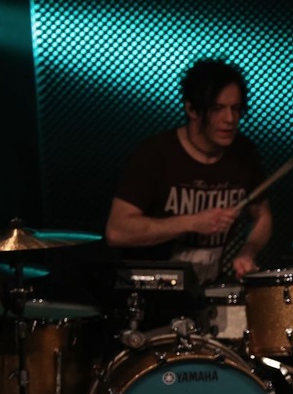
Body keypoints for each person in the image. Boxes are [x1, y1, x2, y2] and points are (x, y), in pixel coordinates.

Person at [105, 57, 273, 287]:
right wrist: (192, 222)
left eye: (235, 109)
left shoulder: (244, 153)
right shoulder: (155, 154)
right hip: (151, 291)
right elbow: (117, 231)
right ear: (192, 109)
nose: (230, 119)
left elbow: (262, 216)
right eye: (217, 109)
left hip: (208, 289)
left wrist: (248, 251)